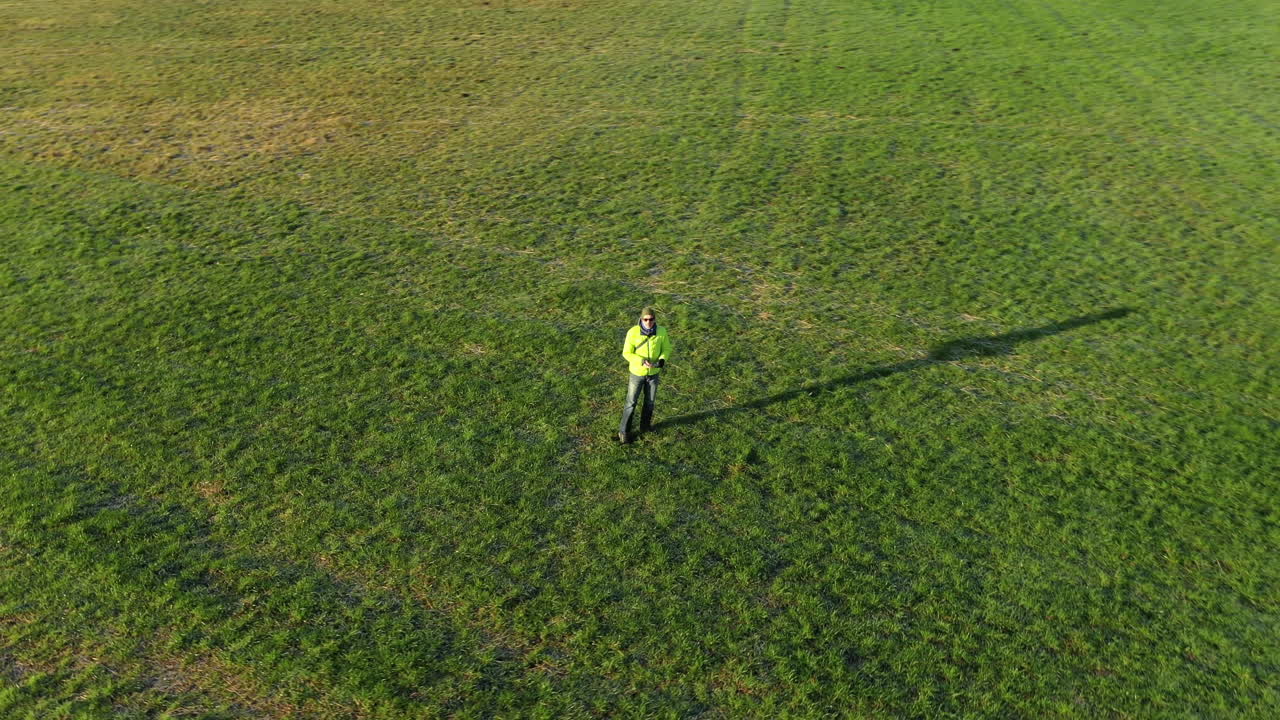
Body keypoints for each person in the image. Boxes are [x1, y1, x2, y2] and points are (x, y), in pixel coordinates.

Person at [618, 306, 672, 443]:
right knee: (631, 402)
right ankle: (624, 432)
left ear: (655, 319)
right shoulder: (633, 332)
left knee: (650, 402)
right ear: (641, 319)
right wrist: (641, 361)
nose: (648, 322)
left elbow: (666, 348)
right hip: (637, 373)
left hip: (653, 374)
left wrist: (662, 360)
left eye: (651, 319)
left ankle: (645, 427)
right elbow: (626, 353)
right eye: (645, 319)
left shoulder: (662, 331)